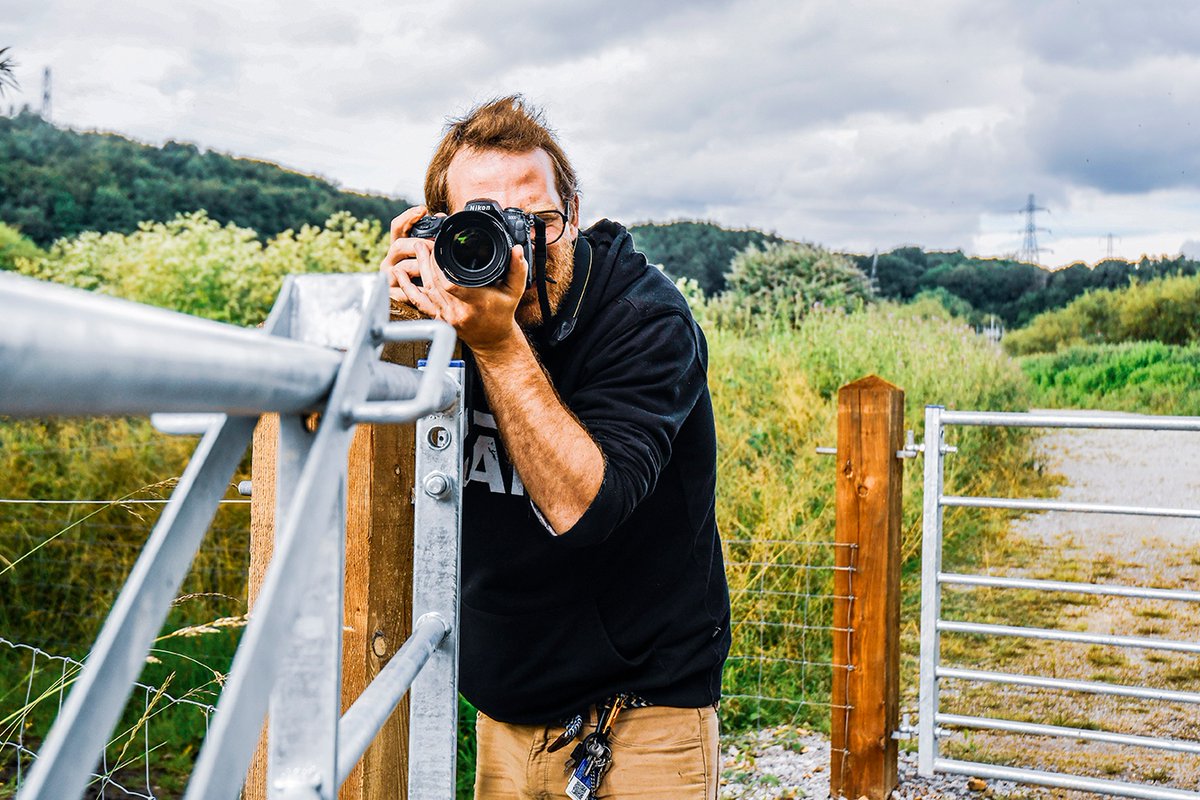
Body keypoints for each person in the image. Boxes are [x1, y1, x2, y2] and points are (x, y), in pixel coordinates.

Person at [382, 96, 730, 800]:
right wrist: (389, 327)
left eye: (537, 222)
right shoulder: (440, 318)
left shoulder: (645, 319)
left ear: (573, 212)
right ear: (441, 232)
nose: (520, 253)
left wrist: (496, 341)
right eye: (487, 226)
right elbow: (369, 466)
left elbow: (584, 507)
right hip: (504, 715)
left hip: (640, 719)